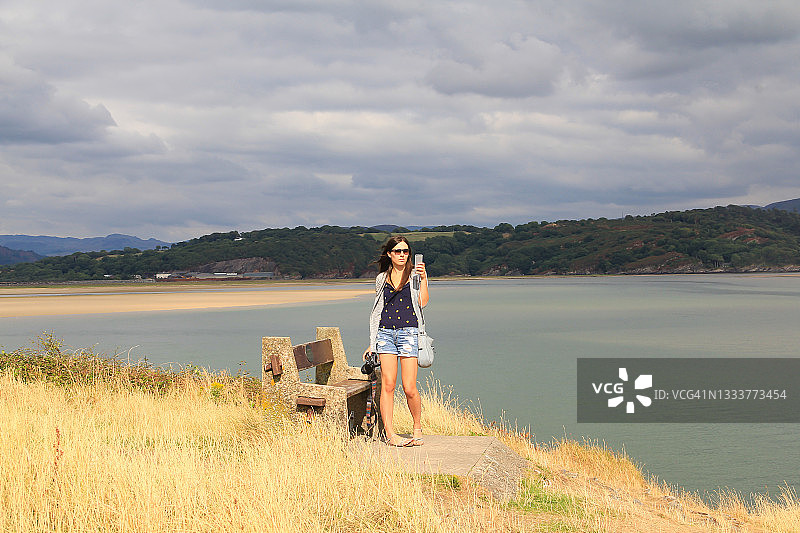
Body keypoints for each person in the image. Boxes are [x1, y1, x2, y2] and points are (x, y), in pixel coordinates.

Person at [366, 236, 429, 447]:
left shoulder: (414, 275)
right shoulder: (381, 278)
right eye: (398, 251)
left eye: (405, 251)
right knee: (388, 385)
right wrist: (372, 342)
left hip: (409, 333)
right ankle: (391, 434)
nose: (402, 254)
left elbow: (423, 302)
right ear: (390, 254)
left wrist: (425, 278)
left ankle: (417, 428)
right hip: (385, 334)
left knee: (409, 386)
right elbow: (377, 311)